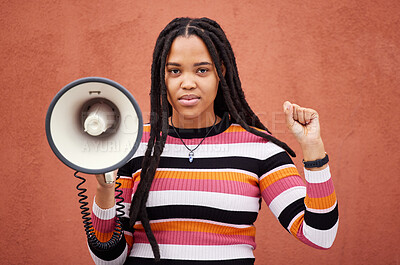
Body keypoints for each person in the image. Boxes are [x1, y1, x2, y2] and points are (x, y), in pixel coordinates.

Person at [89, 17, 338, 265]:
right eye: (175, 71)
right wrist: (104, 188)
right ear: (162, 76)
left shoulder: (259, 147)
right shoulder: (134, 145)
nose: (187, 83)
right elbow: (108, 260)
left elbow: (319, 235)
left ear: (221, 72)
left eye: (202, 70)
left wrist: (313, 148)